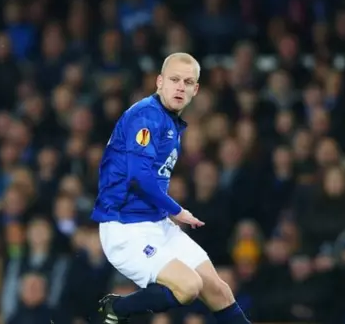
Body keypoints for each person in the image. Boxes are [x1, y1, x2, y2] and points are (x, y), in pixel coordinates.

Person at [91, 53, 250, 324]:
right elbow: (138, 177)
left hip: (156, 223)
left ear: (195, 90)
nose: (180, 87)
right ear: (159, 82)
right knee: (189, 287)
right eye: (174, 79)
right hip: (125, 228)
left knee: (219, 291)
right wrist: (177, 211)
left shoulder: (169, 120)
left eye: (188, 82)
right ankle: (117, 308)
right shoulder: (146, 117)